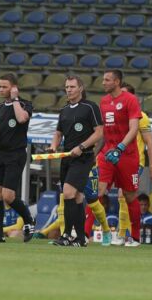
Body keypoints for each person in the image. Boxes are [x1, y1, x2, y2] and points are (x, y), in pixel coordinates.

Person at [48, 75, 104, 247]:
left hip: (84, 157)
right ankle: (80, 238)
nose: (69, 90)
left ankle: (66, 235)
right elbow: (58, 133)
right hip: (67, 158)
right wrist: (53, 146)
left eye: (72, 87)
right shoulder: (64, 110)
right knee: (77, 197)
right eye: (67, 87)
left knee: (69, 193)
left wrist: (81, 147)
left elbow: (99, 132)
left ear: (81, 88)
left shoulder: (90, 107)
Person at [0, 73, 35, 243]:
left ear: (14, 88)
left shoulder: (24, 104)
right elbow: (0, 130)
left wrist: (15, 100)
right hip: (1, 153)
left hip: (16, 153)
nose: (1, 90)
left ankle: (29, 220)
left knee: (8, 196)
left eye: (5, 87)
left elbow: (22, 119)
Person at [98, 70, 143, 247]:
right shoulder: (103, 102)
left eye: (107, 80)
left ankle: (135, 237)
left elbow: (134, 128)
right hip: (107, 154)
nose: (103, 83)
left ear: (117, 82)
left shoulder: (130, 100)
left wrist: (120, 148)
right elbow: (103, 132)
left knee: (130, 196)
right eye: (103, 80)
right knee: (97, 192)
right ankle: (86, 234)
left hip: (127, 155)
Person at [115, 82, 152, 245]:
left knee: (125, 195)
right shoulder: (117, 114)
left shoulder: (141, 116)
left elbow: (150, 143)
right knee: (121, 196)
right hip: (118, 161)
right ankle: (124, 235)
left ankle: (128, 235)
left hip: (135, 161)